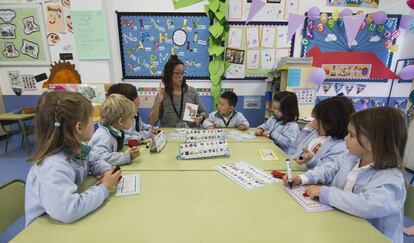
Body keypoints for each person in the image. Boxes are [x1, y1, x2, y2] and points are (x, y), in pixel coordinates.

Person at [284, 107, 407, 243]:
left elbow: (366, 205)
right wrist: (302, 178)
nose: (345, 138)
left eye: (352, 135)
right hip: (342, 225)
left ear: (373, 143)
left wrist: (326, 193)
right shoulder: (352, 157)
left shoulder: (391, 180)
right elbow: (329, 169)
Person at [25, 92, 121, 226]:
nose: (95, 122)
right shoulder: (53, 166)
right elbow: (69, 211)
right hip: (45, 230)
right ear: (79, 127)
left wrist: (106, 171)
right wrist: (104, 187)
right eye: (91, 118)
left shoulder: (77, 147)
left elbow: (94, 161)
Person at [287, 95, 355, 171]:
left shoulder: (340, 147)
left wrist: (311, 160)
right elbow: (298, 149)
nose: (313, 121)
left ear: (330, 122)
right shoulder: (316, 133)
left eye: (317, 119)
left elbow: (327, 172)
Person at [149, 55, 207, 127]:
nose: (181, 76)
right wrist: (158, 101)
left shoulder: (191, 91)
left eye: (182, 73)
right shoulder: (162, 94)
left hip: (189, 134)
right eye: (177, 73)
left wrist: (200, 118)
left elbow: (204, 112)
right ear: (169, 74)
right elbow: (152, 122)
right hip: (169, 135)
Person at [89, 94, 140, 166]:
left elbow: (122, 138)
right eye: (132, 117)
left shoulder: (115, 130)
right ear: (121, 121)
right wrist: (127, 156)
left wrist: (139, 139)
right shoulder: (103, 135)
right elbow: (100, 157)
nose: (134, 120)